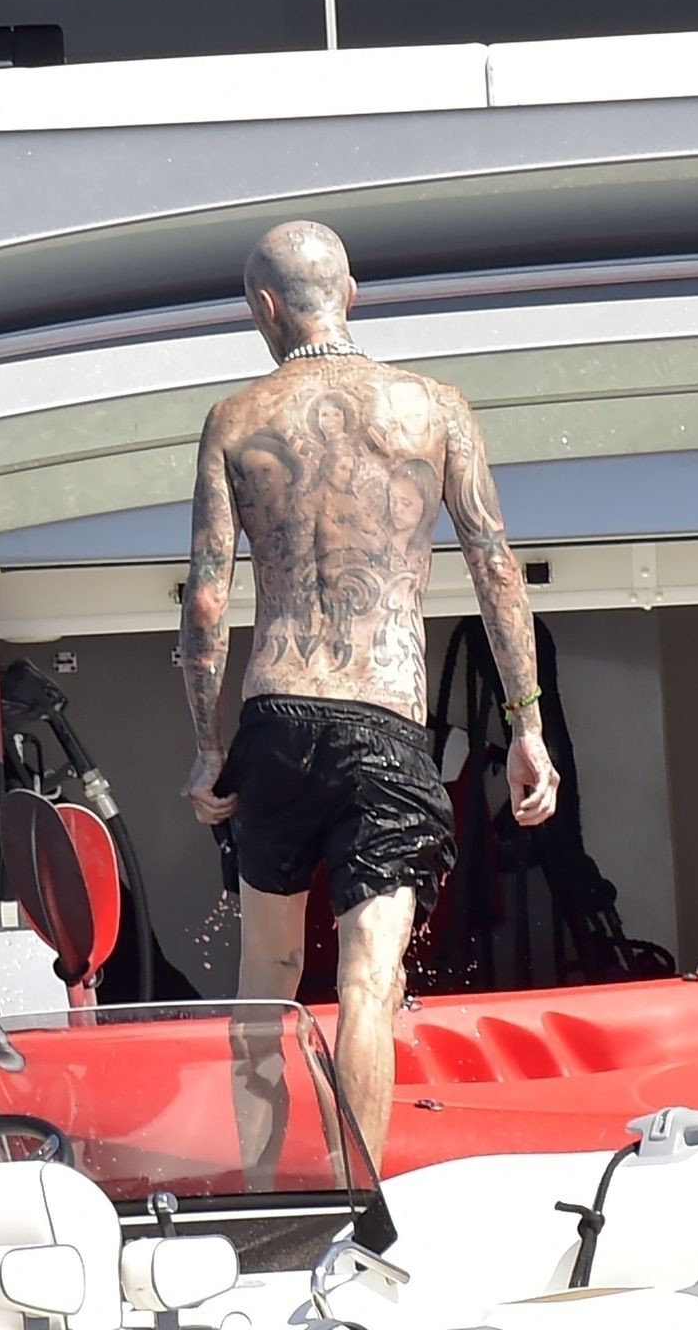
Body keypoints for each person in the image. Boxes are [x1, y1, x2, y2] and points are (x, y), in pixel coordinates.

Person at [178, 220, 560, 1171]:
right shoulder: (435, 409)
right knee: (365, 981)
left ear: (265, 307)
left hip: (275, 713)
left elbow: (207, 601)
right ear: (351, 294)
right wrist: (527, 726)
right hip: (384, 719)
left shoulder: (234, 419)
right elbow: (497, 572)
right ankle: (356, 1200)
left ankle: (267, 1196)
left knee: (264, 980)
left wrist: (207, 746)